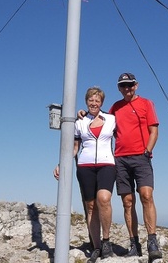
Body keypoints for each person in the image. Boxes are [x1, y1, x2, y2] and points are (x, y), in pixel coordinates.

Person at [54, 87, 116, 262]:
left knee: (103, 199)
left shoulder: (111, 119)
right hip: (85, 166)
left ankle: (106, 241)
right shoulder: (79, 121)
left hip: (106, 164)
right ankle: (96, 247)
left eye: (97, 100)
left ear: (102, 103)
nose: (94, 103)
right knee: (90, 207)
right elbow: (74, 148)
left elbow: (122, 138)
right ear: (86, 101)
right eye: (91, 100)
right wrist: (61, 164)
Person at [109, 72, 162, 261]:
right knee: (127, 202)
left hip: (141, 157)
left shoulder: (147, 103)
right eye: (123, 86)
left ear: (136, 85)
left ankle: (152, 241)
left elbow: (154, 131)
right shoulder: (115, 107)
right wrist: (83, 114)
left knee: (146, 196)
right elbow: (105, 125)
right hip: (121, 159)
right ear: (119, 88)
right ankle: (134, 244)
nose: (127, 89)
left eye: (130, 85)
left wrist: (147, 152)